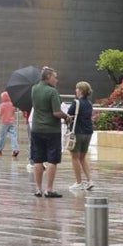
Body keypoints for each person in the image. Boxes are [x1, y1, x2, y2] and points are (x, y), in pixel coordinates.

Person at [29, 66, 68, 197]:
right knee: (52, 160)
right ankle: (49, 189)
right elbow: (56, 112)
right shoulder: (52, 92)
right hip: (51, 130)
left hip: (36, 129)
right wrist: (67, 117)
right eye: (55, 77)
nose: (56, 80)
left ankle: (38, 189)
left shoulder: (34, 89)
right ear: (48, 77)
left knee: (38, 159)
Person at [65, 81, 94, 190]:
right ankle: (90, 180)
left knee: (75, 157)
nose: (76, 91)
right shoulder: (89, 103)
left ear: (81, 91)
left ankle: (79, 182)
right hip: (88, 132)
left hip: (78, 132)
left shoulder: (76, 103)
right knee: (83, 157)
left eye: (77, 89)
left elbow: (69, 115)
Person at [0, 90, 19, 158]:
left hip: (4, 123)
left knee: (2, 137)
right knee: (13, 136)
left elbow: (0, 114)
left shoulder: (2, 105)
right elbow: (13, 111)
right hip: (12, 122)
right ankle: (15, 149)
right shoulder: (12, 104)